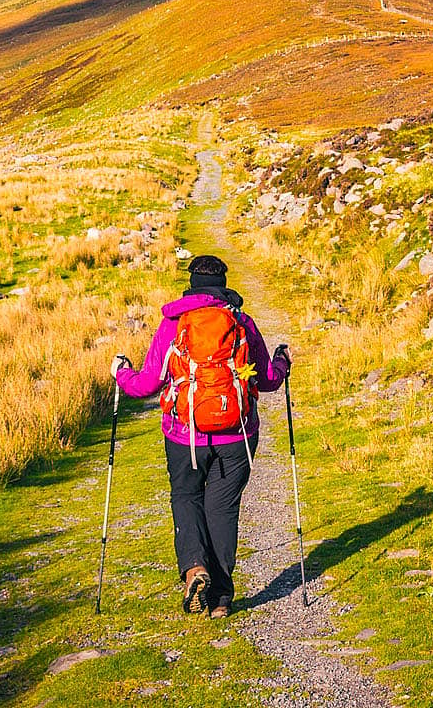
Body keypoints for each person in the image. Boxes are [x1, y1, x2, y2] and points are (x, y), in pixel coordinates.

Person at [113, 254, 291, 619]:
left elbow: (146, 384)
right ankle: (222, 599)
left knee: (186, 496)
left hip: (183, 437)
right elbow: (268, 380)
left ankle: (195, 567)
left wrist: (121, 373)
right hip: (236, 436)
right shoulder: (241, 323)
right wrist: (283, 361)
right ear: (224, 284)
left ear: (191, 284)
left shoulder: (173, 325)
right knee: (223, 509)